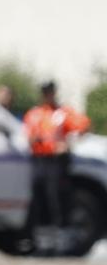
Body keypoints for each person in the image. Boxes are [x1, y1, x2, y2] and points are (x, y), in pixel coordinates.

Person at [23, 81, 89, 231]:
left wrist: (69, 142)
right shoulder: (35, 113)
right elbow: (29, 136)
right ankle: (42, 231)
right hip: (39, 158)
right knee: (39, 195)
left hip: (57, 160)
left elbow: (83, 125)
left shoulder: (62, 113)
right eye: (45, 92)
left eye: (50, 92)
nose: (48, 95)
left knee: (56, 195)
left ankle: (60, 229)